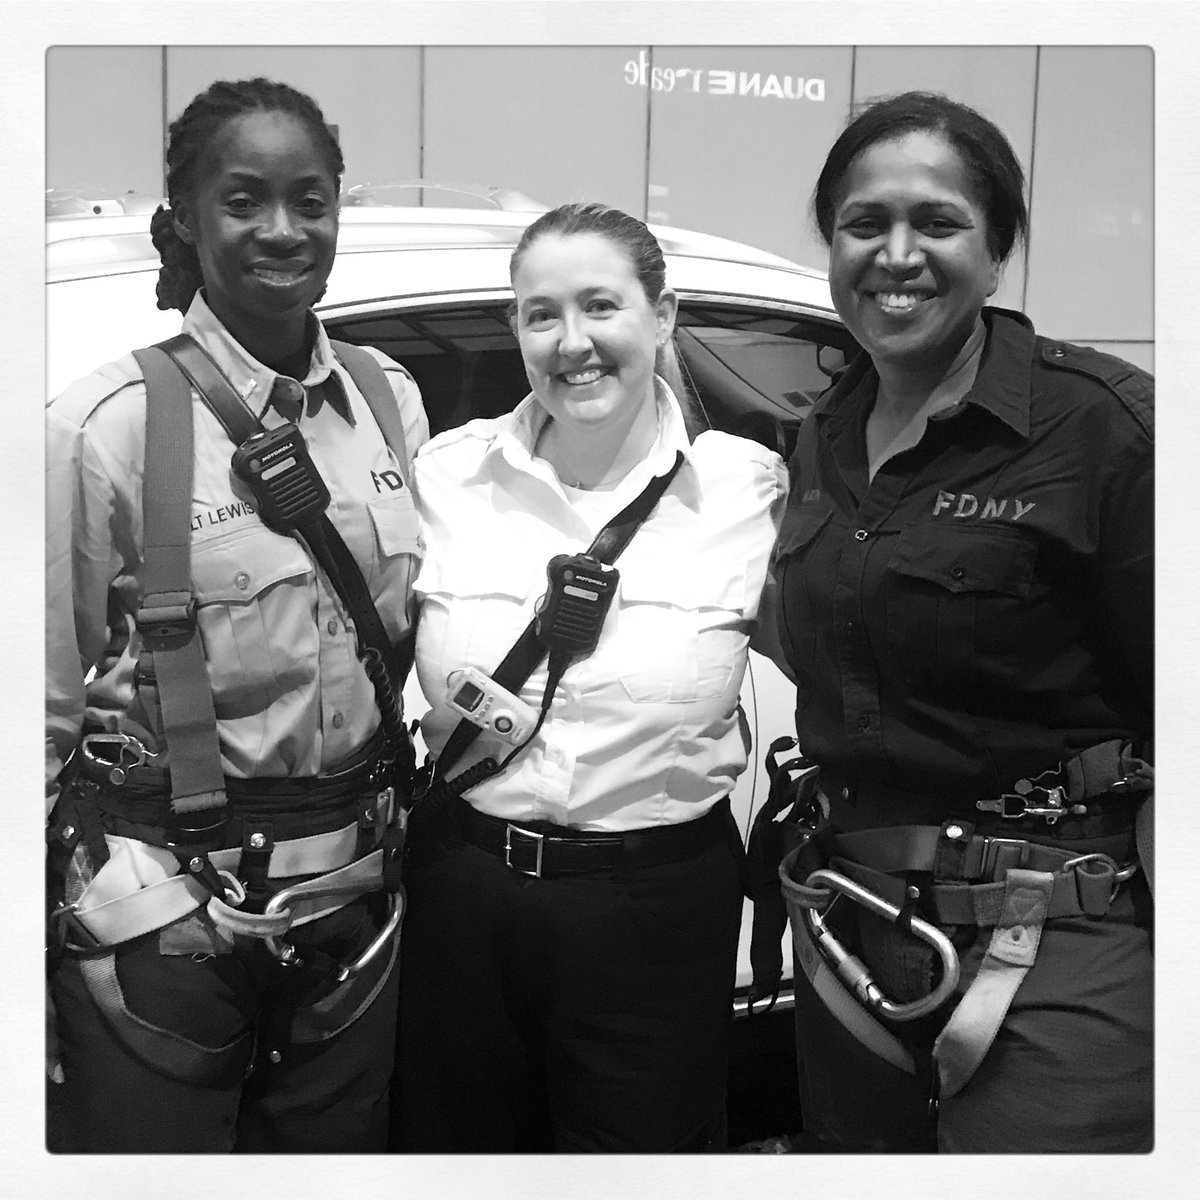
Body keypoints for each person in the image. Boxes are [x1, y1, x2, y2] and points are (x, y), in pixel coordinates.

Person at [45, 77, 428, 1153]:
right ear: (188, 222)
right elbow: (25, 721)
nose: (283, 229)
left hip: (353, 916)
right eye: (245, 199)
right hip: (165, 922)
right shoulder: (106, 428)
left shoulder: (389, 395)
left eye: (311, 200)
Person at [772, 91, 1153, 1153]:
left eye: (936, 223)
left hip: (1058, 940)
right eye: (864, 224)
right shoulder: (825, 434)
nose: (896, 254)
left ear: (996, 255)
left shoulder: (1106, 431)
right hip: (853, 925)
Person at [392, 201, 786, 1153]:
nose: (573, 343)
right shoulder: (445, 477)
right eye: (541, 314)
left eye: (601, 306)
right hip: (466, 891)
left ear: (664, 315)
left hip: (654, 910)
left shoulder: (748, 489)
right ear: (516, 330)